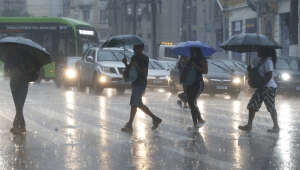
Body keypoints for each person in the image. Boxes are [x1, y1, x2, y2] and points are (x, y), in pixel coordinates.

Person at [121, 44, 162, 132]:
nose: (136, 50)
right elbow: (130, 69)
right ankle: (155, 119)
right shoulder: (133, 57)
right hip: (135, 82)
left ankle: (129, 124)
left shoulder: (144, 58)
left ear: (141, 49)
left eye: (137, 49)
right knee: (139, 104)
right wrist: (125, 64)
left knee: (134, 104)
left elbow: (144, 73)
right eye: (134, 49)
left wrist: (137, 66)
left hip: (141, 83)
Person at [239, 48, 280, 133]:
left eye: (260, 50)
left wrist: (261, 84)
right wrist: (250, 70)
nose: (258, 52)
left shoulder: (268, 61)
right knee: (252, 105)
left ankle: (276, 126)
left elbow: (269, 75)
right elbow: (257, 73)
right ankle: (249, 125)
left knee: (270, 106)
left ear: (264, 51)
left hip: (268, 87)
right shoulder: (261, 61)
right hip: (261, 87)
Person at [5, 47, 40, 134]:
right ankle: (20, 126)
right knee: (20, 105)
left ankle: (17, 126)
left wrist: (13, 71)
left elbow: (6, 69)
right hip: (24, 82)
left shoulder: (11, 54)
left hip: (14, 82)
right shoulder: (28, 55)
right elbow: (34, 69)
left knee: (18, 105)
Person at [181, 47, 208, 129]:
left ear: (198, 51)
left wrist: (195, 66)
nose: (192, 53)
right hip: (188, 83)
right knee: (191, 103)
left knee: (192, 102)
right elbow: (185, 71)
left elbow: (205, 71)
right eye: (191, 51)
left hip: (197, 83)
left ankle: (196, 122)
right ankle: (197, 121)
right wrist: (184, 64)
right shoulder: (189, 59)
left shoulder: (202, 59)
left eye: (194, 51)